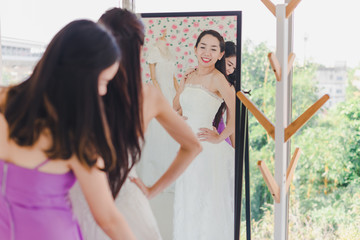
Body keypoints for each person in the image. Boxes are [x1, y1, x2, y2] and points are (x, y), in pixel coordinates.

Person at [70, 8, 202, 240]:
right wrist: (152, 190)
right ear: (140, 49)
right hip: (125, 198)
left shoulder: (80, 88)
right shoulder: (149, 96)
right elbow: (193, 146)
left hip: (81, 195)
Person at [0, 20, 136, 240]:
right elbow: (108, 219)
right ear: (78, 79)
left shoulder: (4, 100)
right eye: (101, 82)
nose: (102, 92)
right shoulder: (78, 137)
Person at [172, 30, 236, 240]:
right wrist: (182, 84)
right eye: (203, 46)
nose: (207, 52)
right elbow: (177, 109)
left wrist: (219, 137)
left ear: (220, 55)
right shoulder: (190, 75)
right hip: (186, 147)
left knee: (204, 204)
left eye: (213, 48)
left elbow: (235, 114)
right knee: (188, 201)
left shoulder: (218, 79)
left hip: (205, 150)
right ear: (195, 49)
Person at [213, 40, 237, 146]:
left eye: (234, 68)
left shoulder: (229, 86)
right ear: (221, 57)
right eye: (229, 64)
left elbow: (231, 120)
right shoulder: (201, 75)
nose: (231, 70)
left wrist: (234, 148)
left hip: (218, 130)